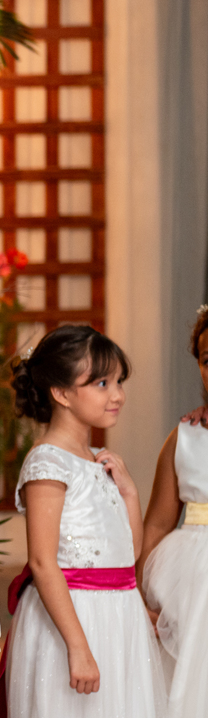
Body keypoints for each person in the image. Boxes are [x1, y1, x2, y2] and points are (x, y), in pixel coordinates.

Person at [0, 325, 165, 716]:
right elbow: (41, 561)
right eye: (102, 383)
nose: (118, 395)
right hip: (76, 619)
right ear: (61, 393)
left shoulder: (97, 457)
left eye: (119, 382)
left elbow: (128, 554)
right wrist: (78, 646)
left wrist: (130, 494)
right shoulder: (48, 462)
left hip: (118, 614)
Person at [138, 305, 208, 717]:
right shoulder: (184, 438)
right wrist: (138, 602)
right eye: (206, 359)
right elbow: (158, 524)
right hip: (191, 590)